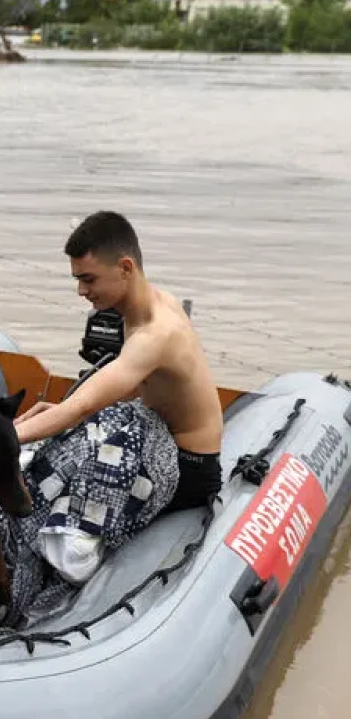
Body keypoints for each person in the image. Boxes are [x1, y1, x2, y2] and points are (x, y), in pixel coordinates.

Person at [13, 210, 224, 512]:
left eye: (89, 279)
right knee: (54, 448)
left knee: (48, 499)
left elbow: (81, 406)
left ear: (125, 268)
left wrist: (4, 437)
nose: (81, 291)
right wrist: (61, 413)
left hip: (186, 468)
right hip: (160, 440)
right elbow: (136, 387)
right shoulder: (151, 305)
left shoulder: (156, 334)